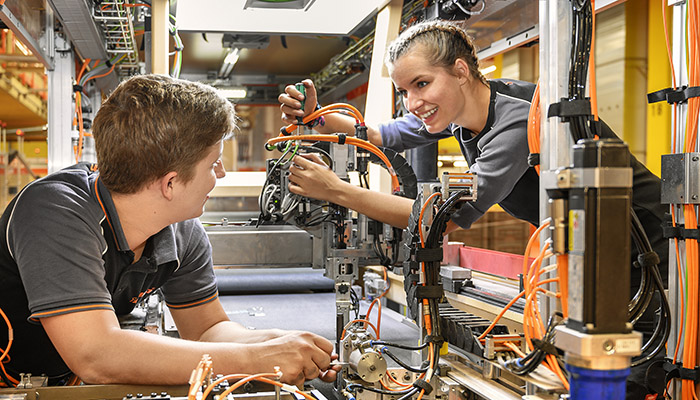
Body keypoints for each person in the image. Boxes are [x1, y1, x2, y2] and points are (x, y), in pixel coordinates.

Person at [279, 20, 667, 398]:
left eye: (422, 84)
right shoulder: (465, 110)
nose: (413, 102)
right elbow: (383, 134)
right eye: (404, 91)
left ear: (460, 71)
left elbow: (441, 218)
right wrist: (318, 117)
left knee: (632, 374)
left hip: (647, 246)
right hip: (589, 252)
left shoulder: (517, 122)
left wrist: (337, 191)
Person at [0, 74, 339, 387]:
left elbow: (207, 329)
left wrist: (276, 342)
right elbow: (96, 355)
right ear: (170, 183)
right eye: (213, 163)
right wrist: (255, 359)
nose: (220, 175)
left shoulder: (180, 230)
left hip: (63, 379)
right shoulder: (55, 212)